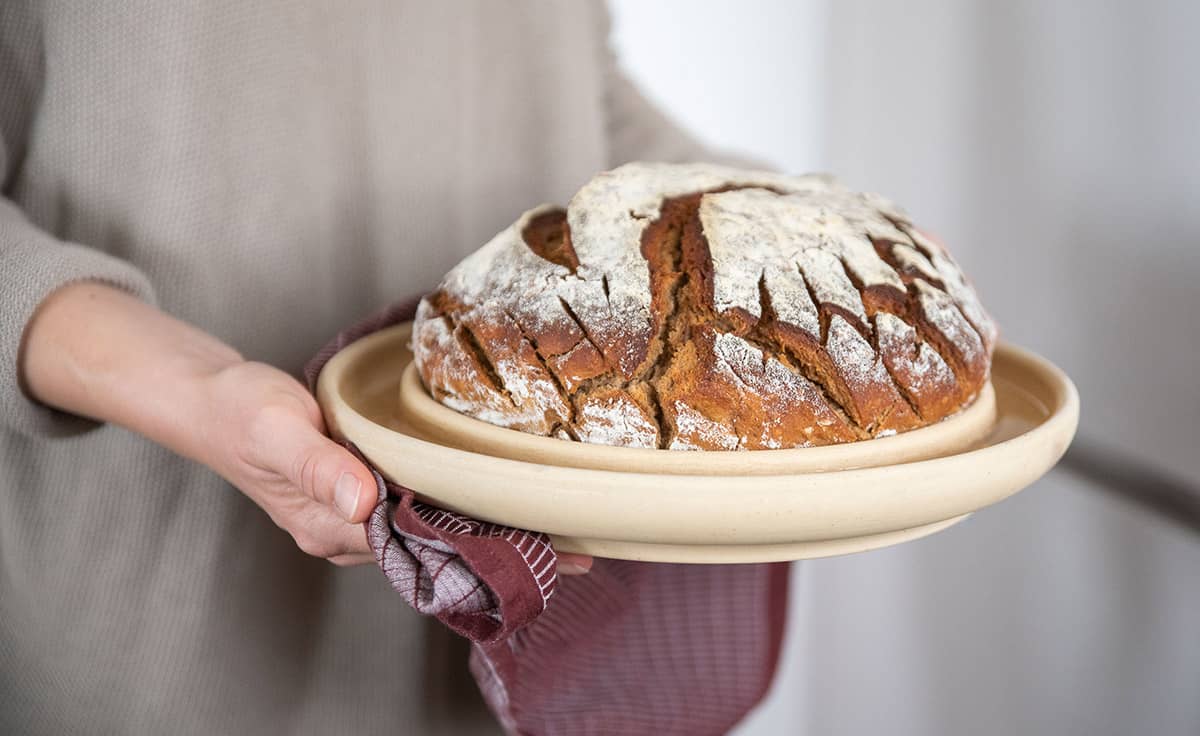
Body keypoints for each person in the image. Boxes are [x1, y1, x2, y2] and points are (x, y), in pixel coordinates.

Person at [0, 3, 738, 733]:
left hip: (523, 616)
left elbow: (578, 90)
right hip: (167, 616)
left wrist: (804, 232)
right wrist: (199, 391)